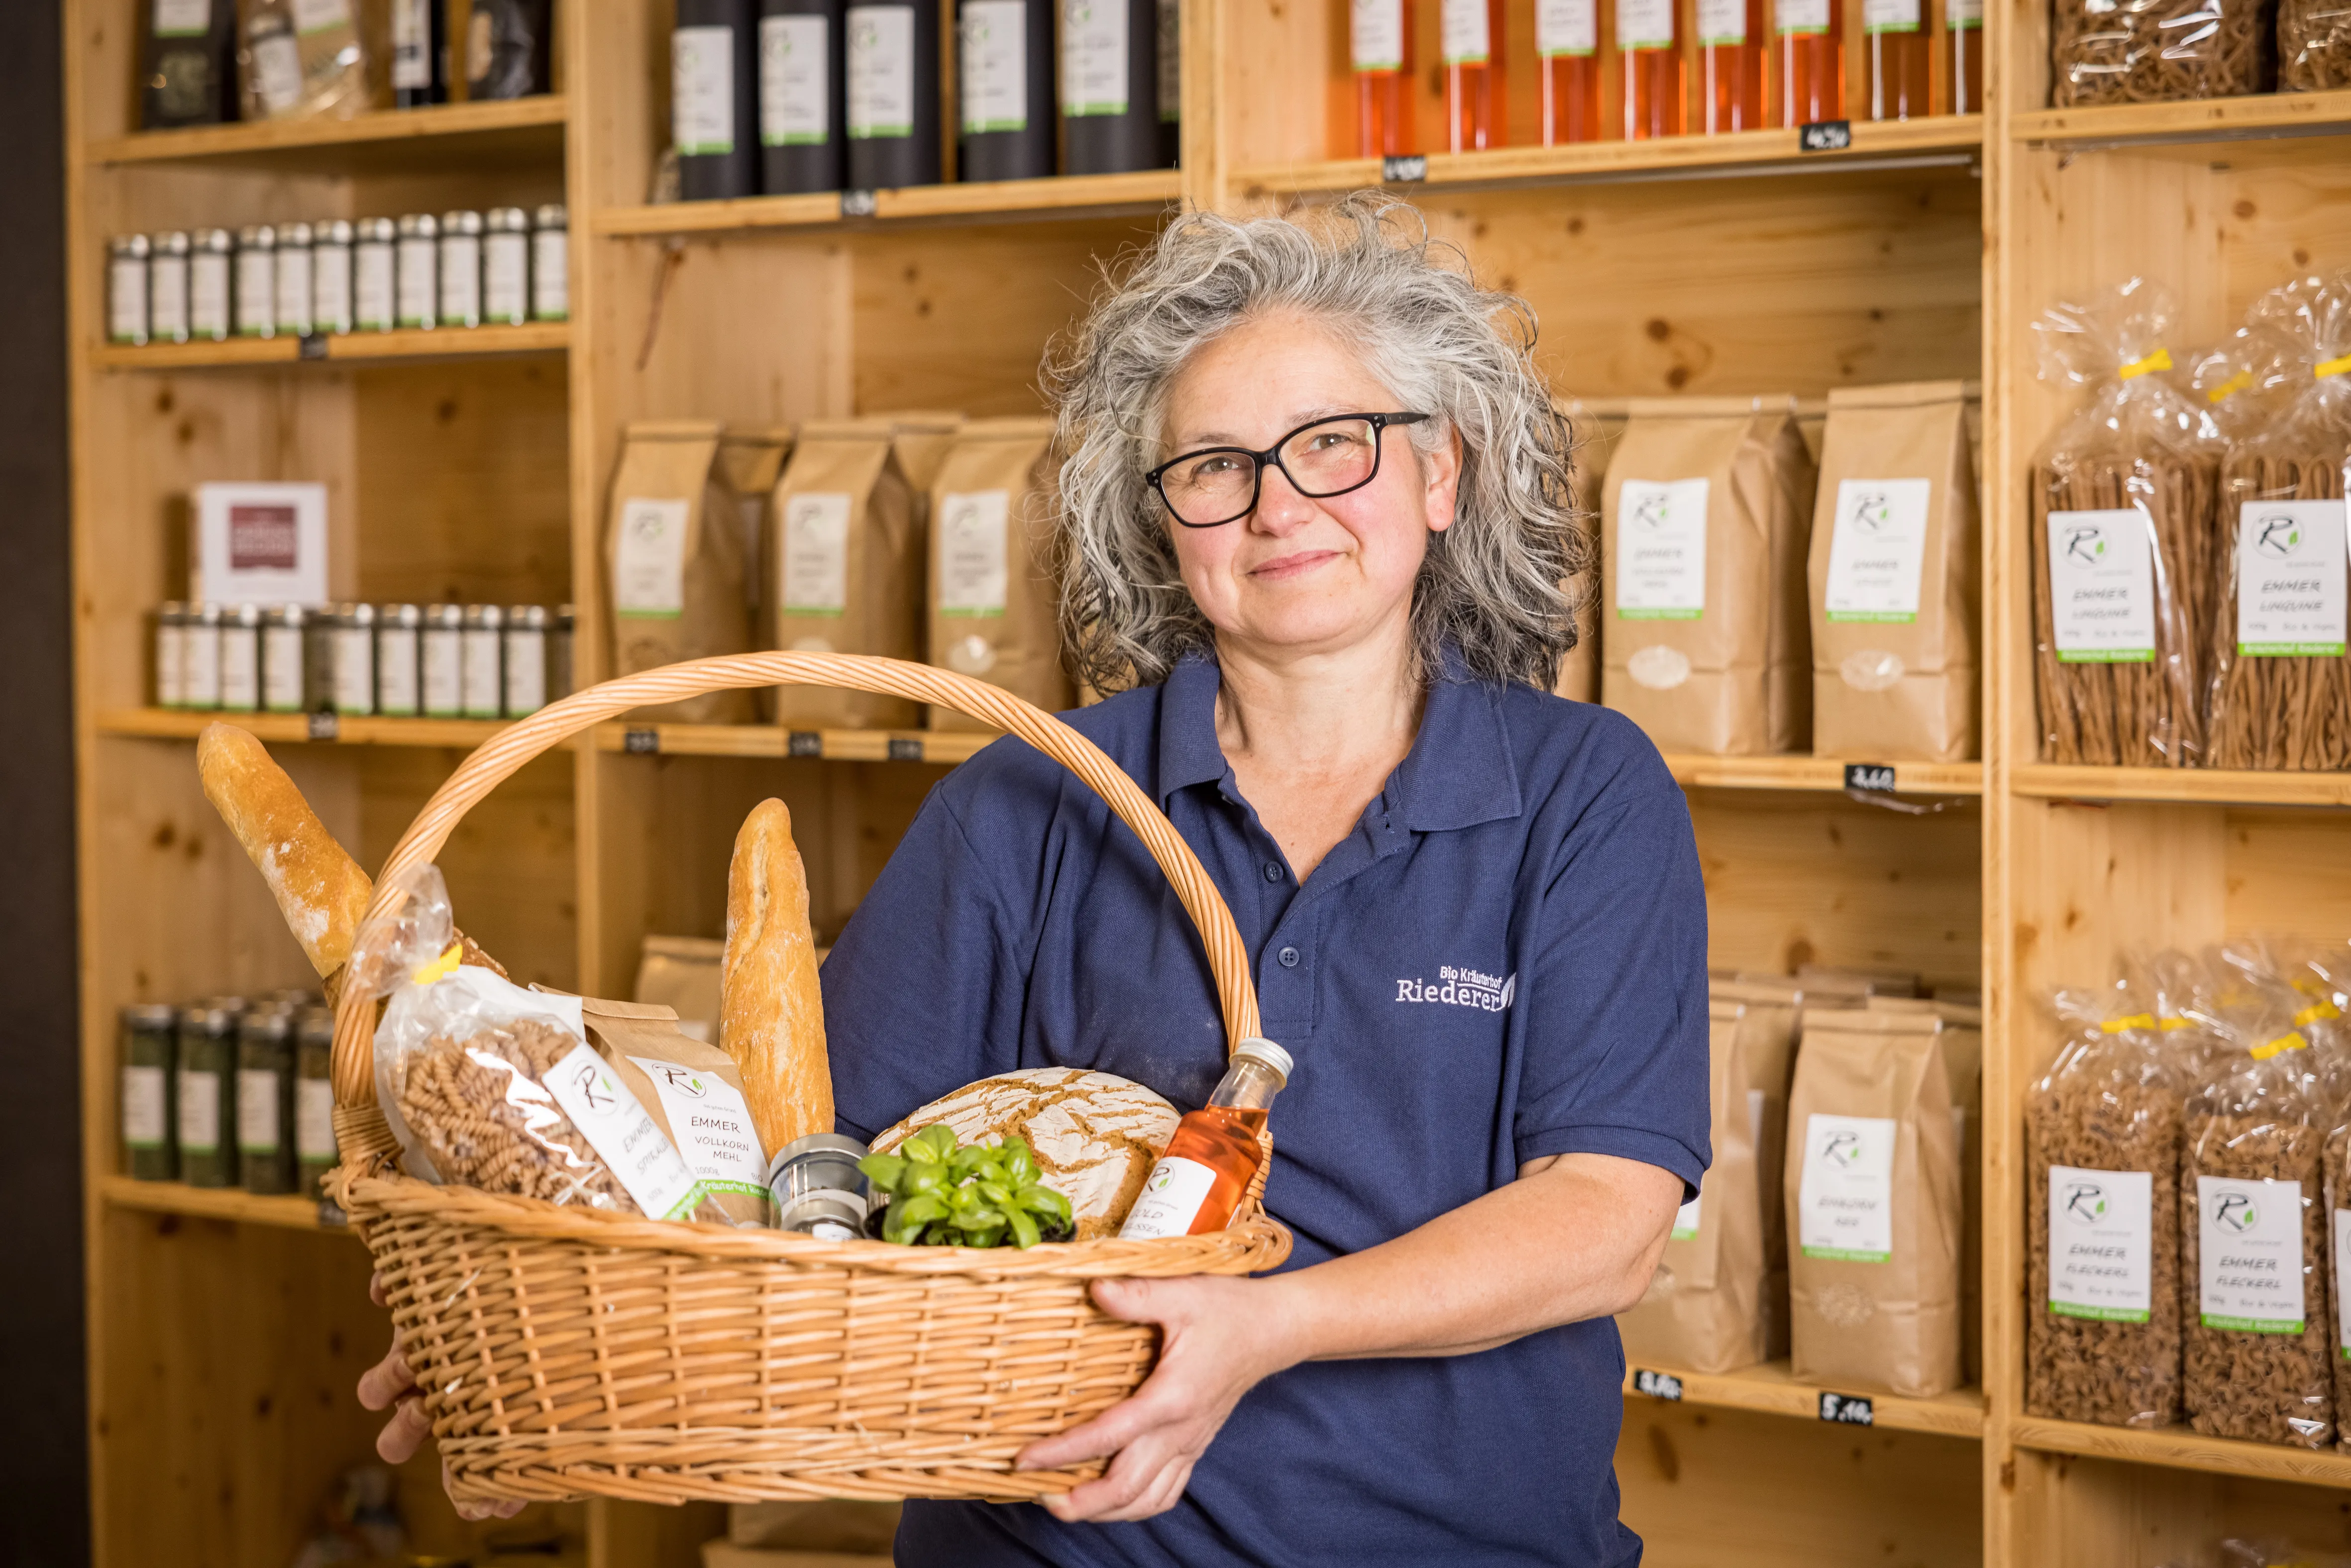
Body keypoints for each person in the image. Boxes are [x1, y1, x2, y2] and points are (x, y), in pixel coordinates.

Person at [361, 195, 1710, 1565]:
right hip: (1049, 1541)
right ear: (1161, 525)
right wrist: (562, 1323)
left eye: (1331, 444)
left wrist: (1269, 1326)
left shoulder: (1582, 792)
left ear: (1439, 474)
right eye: (1215, 466)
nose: (1276, 505)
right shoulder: (1033, 796)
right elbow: (802, 1171)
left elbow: (1605, 1219)